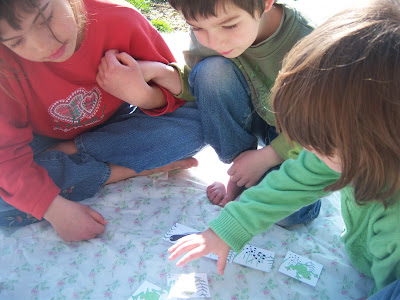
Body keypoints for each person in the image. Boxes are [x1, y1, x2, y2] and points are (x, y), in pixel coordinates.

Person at [168, 0, 400, 298]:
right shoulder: (348, 150)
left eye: (321, 143)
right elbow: (293, 183)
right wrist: (226, 229)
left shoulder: (393, 218)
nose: (309, 151)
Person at [0, 0, 205, 242]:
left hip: (117, 126)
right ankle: (127, 170)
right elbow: (7, 156)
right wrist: (54, 209)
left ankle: (72, 152)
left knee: (199, 125)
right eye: (17, 41)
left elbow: (178, 93)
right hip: (39, 141)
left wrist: (140, 93)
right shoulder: (5, 63)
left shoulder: (120, 19)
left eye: (44, 19)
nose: (42, 45)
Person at [145, 0, 320, 226]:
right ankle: (239, 175)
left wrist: (269, 156)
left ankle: (254, 176)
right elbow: (200, 83)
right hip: (260, 113)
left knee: (289, 214)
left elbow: (326, 129)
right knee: (211, 72)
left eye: (229, 26)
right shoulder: (209, 19)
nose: (214, 41)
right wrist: (157, 73)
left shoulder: (310, 44)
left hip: (304, 135)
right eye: (197, 28)